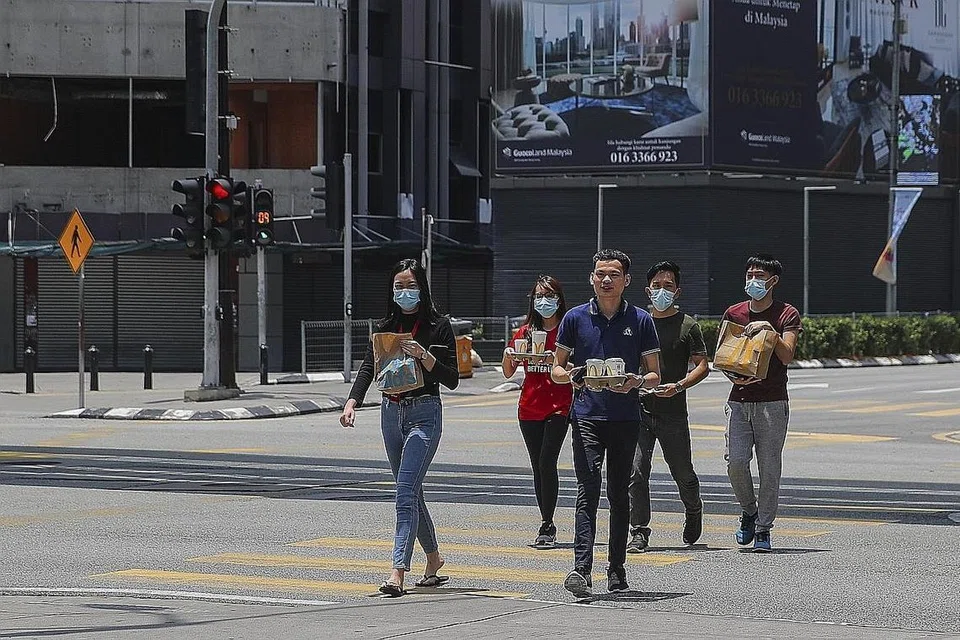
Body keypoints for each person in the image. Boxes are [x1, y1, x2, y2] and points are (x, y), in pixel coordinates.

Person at [339, 258, 460, 595]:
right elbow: (368, 366)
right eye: (399, 286)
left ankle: (397, 572)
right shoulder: (385, 326)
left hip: (424, 412)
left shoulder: (438, 326)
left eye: (411, 285)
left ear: (422, 288)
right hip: (390, 412)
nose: (405, 292)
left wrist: (424, 355)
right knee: (412, 491)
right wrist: (352, 402)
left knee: (404, 493)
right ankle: (434, 558)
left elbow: (452, 378)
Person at [551, 249, 661, 597]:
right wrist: (571, 376)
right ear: (591, 278)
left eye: (614, 274)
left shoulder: (641, 320)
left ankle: (616, 568)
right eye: (600, 273)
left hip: (625, 417)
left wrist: (636, 382)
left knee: (618, 493)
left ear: (626, 280)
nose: (606, 280)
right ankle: (581, 570)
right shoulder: (575, 318)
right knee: (587, 490)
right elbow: (556, 369)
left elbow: (655, 375)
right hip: (586, 416)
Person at [721, 253, 801, 553]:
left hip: (772, 401)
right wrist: (734, 377)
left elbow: (787, 355)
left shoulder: (786, 313)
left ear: (773, 281)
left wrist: (770, 331)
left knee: (769, 468)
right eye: (750, 275)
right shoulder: (734, 312)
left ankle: (764, 528)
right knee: (735, 462)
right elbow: (723, 354)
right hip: (739, 401)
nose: (753, 281)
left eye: (760, 276)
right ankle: (749, 510)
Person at [628, 261, 709, 553]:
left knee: (682, 471)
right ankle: (639, 531)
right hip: (638, 409)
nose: (662, 290)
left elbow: (702, 365)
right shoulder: (637, 322)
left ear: (678, 291)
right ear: (647, 290)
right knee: (636, 472)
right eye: (657, 286)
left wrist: (679, 386)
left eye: (668, 286)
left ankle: (693, 508)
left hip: (673, 411)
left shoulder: (687, 325)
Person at [501, 275, 573, 548]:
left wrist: (559, 363)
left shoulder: (568, 330)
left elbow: (576, 366)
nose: (544, 301)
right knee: (537, 465)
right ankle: (546, 518)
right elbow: (509, 372)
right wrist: (509, 355)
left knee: (546, 461)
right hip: (529, 406)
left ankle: (547, 523)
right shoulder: (525, 332)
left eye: (549, 295)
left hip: (559, 405)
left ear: (559, 299)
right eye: (539, 296)